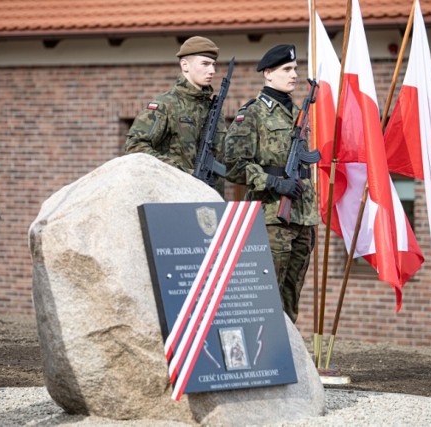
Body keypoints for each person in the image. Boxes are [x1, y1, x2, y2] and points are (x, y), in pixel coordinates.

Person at [224, 44, 319, 323]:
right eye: (287, 69)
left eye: (295, 69)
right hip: (272, 218)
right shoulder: (252, 114)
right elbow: (233, 165)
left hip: (302, 216)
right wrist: (274, 183)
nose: (294, 75)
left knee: (291, 296)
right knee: (268, 296)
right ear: (268, 73)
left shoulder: (297, 113)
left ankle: (288, 355)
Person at [124, 36, 227, 196]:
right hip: (174, 197)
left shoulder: (213, 109)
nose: (212, 70)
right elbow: (135, 147)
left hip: (212, 199)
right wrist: (181, 173)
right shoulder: (166, 105)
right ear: (185, 65)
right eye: (205, 64)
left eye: (214, 65)